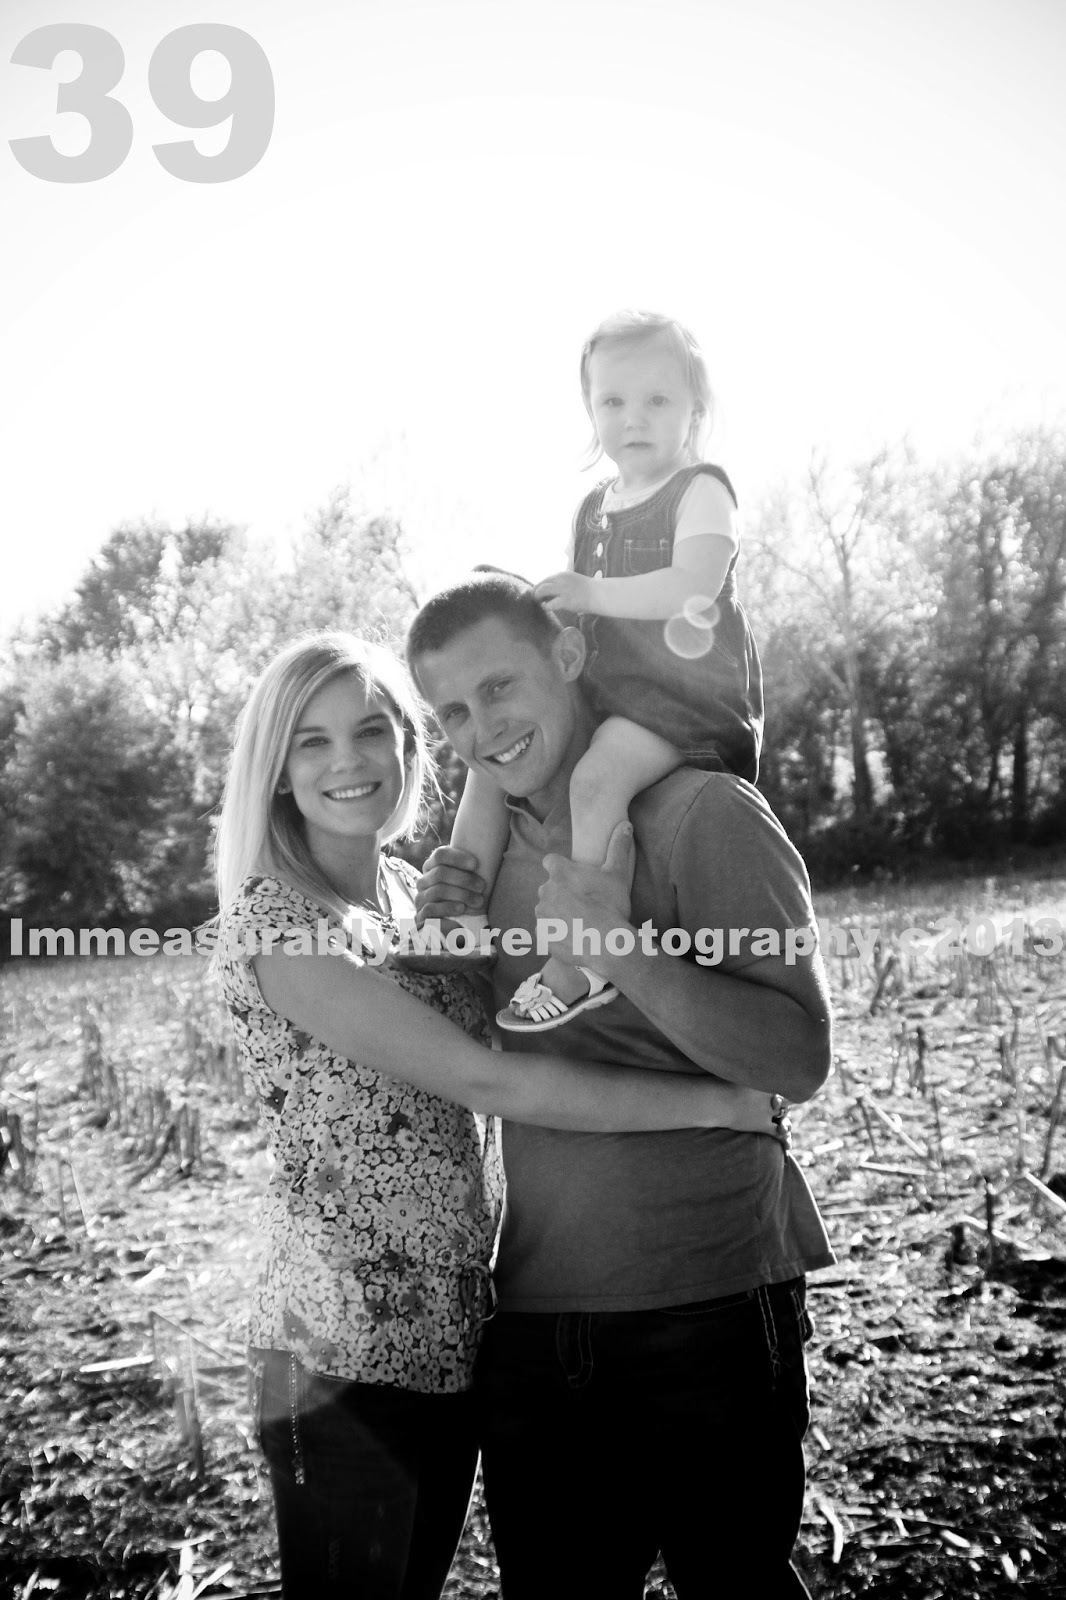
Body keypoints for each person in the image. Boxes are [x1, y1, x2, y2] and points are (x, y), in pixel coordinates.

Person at [211, 631, 789, 1600]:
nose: (348, 761)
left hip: (450, 1330)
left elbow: (536, 999)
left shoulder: (411, 899)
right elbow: (491, 1081)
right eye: (311, 741)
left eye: (372, 730)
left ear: (410, 747)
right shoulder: (280, 925)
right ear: (274, 768)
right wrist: (717, 1103)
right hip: (338, 1348)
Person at [406, 576, 835, 1599]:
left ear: (567, 657)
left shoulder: (704, 813)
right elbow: (479, 1056)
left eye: (499, 687)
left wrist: (623, 952)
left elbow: (798, 1057)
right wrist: (443, 942)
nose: (482, 730)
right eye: (452, 712)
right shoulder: (483, 862)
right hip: (535, 1313)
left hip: (709, 1304)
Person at [416, 309, 763, 1031]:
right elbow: (578, 618)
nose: (633, 418)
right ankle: (458, 917)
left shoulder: (701, 489)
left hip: (685, 699)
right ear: (590, 409)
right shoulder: (593, 508)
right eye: (613, 401)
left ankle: (582, 958)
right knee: (488, 762)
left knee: (595, 780)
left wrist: (591, 593)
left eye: (657, 399)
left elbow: (694, 587)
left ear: (696, 405)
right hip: (613, 687)